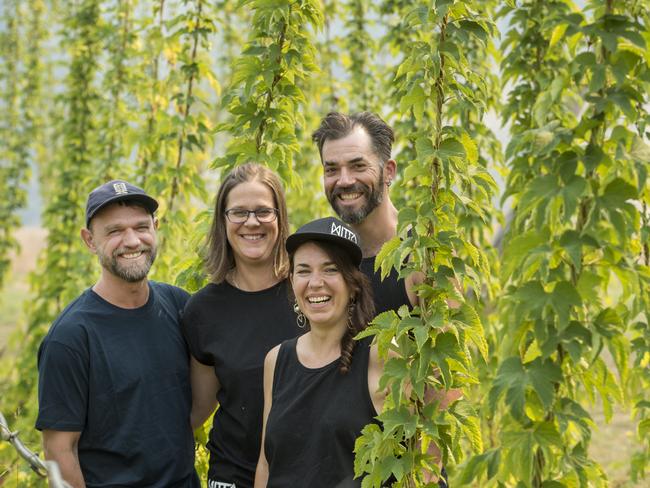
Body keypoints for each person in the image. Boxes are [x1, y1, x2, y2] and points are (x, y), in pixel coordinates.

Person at [36, 180, 199, 488]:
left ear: (156, 227)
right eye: (114, 231)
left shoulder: (179, 306)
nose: (132, 240)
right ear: (89, 240)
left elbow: (192, 406)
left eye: (141, 227)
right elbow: (59, 451)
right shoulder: (70, 338)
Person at [182, 163, 302, 488]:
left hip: (308, 473)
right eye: (239, 212)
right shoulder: (203, 311)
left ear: (280, 217)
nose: (252, 222)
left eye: (263, 211)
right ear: (223, 221)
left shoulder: (308, 291)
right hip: (233, 476)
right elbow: (197, 409)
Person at [254, 216, 380, 488]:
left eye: (330, 269)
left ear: (354, 283)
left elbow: (411, 463)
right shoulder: (276, 360)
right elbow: (266, 463)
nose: (315, 282)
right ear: (291, 281)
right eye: (303, 270)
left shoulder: (379, 357)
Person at [312, 111, 417, 314]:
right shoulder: (326, 256)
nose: (344, 181)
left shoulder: (422, 251)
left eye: (358, 166)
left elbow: (447, 343)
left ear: (389, 171)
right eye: (331, 170)